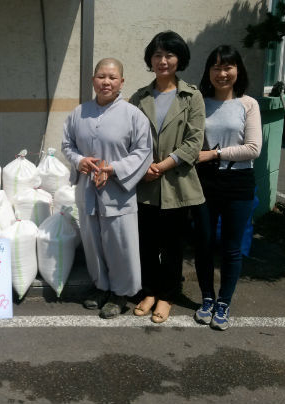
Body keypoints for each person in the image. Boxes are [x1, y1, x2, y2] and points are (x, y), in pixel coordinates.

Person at [62, 58, 153, 319]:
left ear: (122, 82)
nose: (106, 82)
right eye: (101, 76)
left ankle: (121, 293)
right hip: (87, 190)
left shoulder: (133, 115)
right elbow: (67, 144)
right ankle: (100, 286)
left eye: (112, 78)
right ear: (93, 80)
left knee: (120, 244)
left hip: (117, 192)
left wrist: (113, 169)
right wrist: (79, 161)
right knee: (92, 242)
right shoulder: (78, 113)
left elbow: (144, 151)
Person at [129, 31, 205, 323]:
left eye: (169, 55)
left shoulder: (191, 96)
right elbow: (128, 138)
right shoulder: (139, 97)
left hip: (176, 183)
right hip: (145, 183)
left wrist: (159, 167)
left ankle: (167, 295)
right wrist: (143, 166)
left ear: (179, 59)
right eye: (157, 55)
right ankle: (149, 291)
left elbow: (194, 142)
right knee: (146, 243)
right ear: (150, 59)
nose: (163, 60)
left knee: (172, 245)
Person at [192, 45, 262, 330]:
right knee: (204, 244)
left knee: (232, 248)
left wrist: (215, 153)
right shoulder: (199, 102)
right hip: (204, 182)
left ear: (238, 70)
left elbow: (253, 148)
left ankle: (224, 303)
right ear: (208, 72)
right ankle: (207, 298)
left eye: (228, 67)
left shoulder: (249, 104)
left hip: (238, 183)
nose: (222, 73)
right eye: (216, 67)